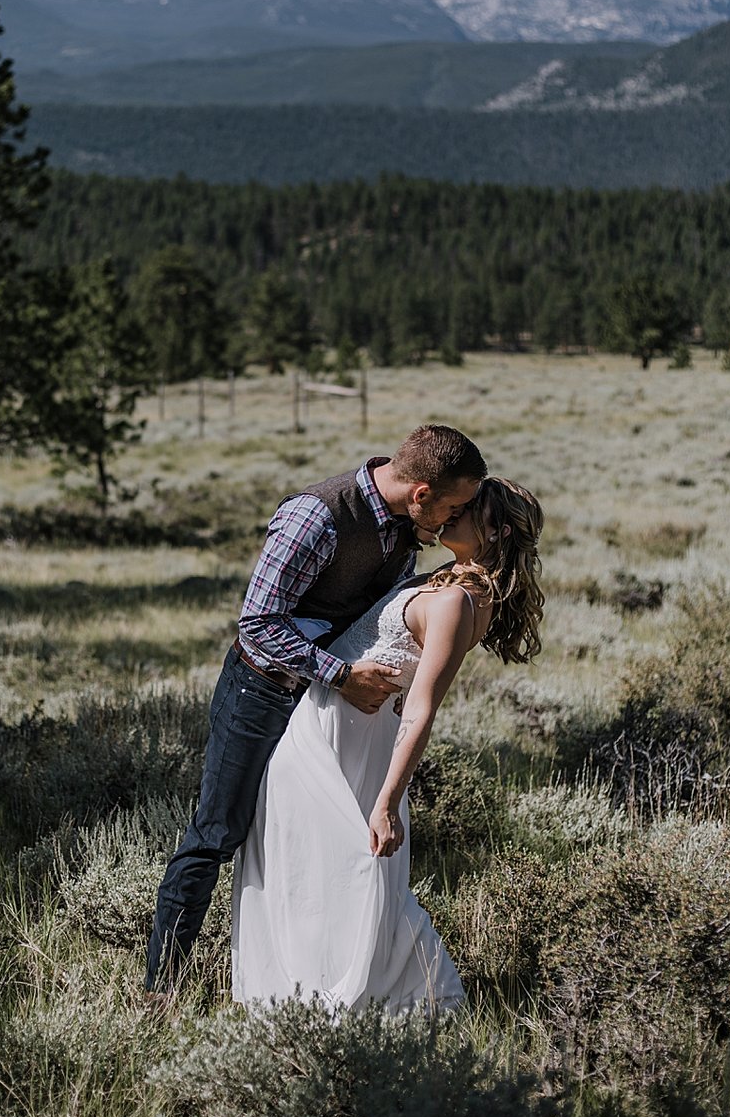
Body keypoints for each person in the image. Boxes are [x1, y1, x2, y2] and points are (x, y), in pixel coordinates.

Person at [146, 424, 487, 990]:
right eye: (452, 506)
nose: (453, 520)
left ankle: (304, 981)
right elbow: (258, 623)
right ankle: (162, 991)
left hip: (324, 711)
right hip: (261, 694)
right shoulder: (318, 516)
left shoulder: (406, 525)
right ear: (421, 491)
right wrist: (342, 675)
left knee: (303, 843)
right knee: (217, 836)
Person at [231, 477, 544, 1015]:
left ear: (497, 529)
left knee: (341, 873)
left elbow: (421, 707)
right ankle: (307, 1002)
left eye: (471, 509)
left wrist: (387, 801)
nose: (456, 512)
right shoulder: (454, 584)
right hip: (338, 733)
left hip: (345, 744)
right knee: (312, 871)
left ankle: (350, 1004)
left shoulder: (455, 602)